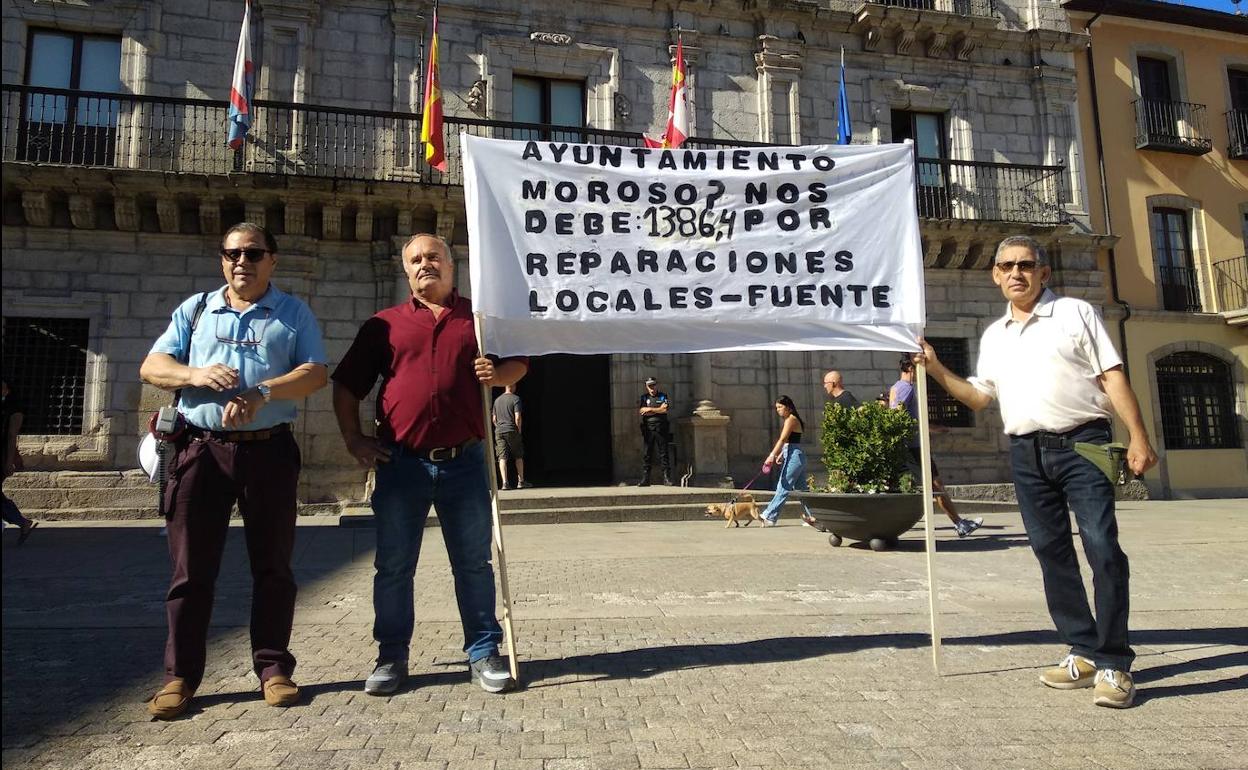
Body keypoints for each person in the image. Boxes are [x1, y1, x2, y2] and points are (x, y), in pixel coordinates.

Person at [917, 234, 1158, 709]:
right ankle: (1082, 650)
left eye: (1025, 265)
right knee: (1051, 554)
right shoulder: (994, 336)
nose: (1016, 274)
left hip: (1083, 443)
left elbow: (1111, 375)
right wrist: (936, 367)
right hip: (1026, 453)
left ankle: (1114, 663)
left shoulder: (1074, 314)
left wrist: (1138, 436)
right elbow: (981, 398)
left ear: (1043, 273)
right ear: (995, 275)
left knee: (1103, 548)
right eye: (1006, 266)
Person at [139, 222, 328, 719]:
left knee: (274, 566)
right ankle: (179, 677)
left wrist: (262, 391)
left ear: (272, 260)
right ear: (221, 260)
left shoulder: (292, 313)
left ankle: (273, 669)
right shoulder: (196, 309)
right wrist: (193, 374)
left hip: (268, 451)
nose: (241, 261)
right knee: (190, 571)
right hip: (199, 451)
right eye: (231, 253)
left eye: (252, 253)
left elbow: (315, 371)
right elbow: (152, 366)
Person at [332, 233, 526, 697]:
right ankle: (391, 657)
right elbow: (345, 386)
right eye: (416, 260)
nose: (426, 265)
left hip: (464, 463)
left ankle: (483, 652)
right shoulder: (384, 324)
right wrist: (354, 439)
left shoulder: (478, 322)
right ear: (406, 271)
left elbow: (519, 364)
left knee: (475, 565)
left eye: (434, 257)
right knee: (394, 566)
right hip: (402, 466)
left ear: (452, 265)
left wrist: (497, 375)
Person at [889, 355, 983, 537]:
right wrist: (925, 429)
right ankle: (960, 524)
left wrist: (930, 428)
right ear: (910, 368)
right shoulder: (906, 388)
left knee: (931, 485)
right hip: (914, 448)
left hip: (910, 446)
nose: (921, 372)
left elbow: (906, 418)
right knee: (935, 486)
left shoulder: (897, 387)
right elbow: (898, 418)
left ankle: (959, 523)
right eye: (918, 367)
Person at [759, 395, 816, 527]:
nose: (778, 410)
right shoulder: (792, 419)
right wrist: (782, 454)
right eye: (776, 408)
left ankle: (769, 516)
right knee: (802, 489)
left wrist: (772, 455)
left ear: (788, 407)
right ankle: (813, 517)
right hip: (795, 454)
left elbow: (783, 439)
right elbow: (790, 442)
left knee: (783, 485)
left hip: (794, 456)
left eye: (780, 407)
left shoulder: (791, 419)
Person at [2, 379, 38, 545]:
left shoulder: (15, 412)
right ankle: (22, 522)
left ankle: (21, 521)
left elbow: (11, 437)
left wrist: (10, 461)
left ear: (7, 390)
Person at [636, 377, 673, 486]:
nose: (652, 388)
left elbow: (665, 409)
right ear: (646, 387)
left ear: (656, 385)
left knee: (664, 453)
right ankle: (646, 479)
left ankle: (667, 478)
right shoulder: (644, 397)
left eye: (653, 385)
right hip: (648, 428)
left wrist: (650, 409)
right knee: (647, 454)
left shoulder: (662, 396)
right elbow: (642, 411)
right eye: (649, 386)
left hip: (661, 428)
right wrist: (657, 410)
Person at [492, 385, 530, 490]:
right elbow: (517, 417)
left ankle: (505, 483)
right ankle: (521, 481)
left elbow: (494, 419)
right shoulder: (515, 399)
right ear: (513, 386)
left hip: (499, 431)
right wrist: (519, 430)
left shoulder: (497, 400)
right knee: (518, 455)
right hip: (512, 429)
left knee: (502, 457)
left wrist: (500, 427)